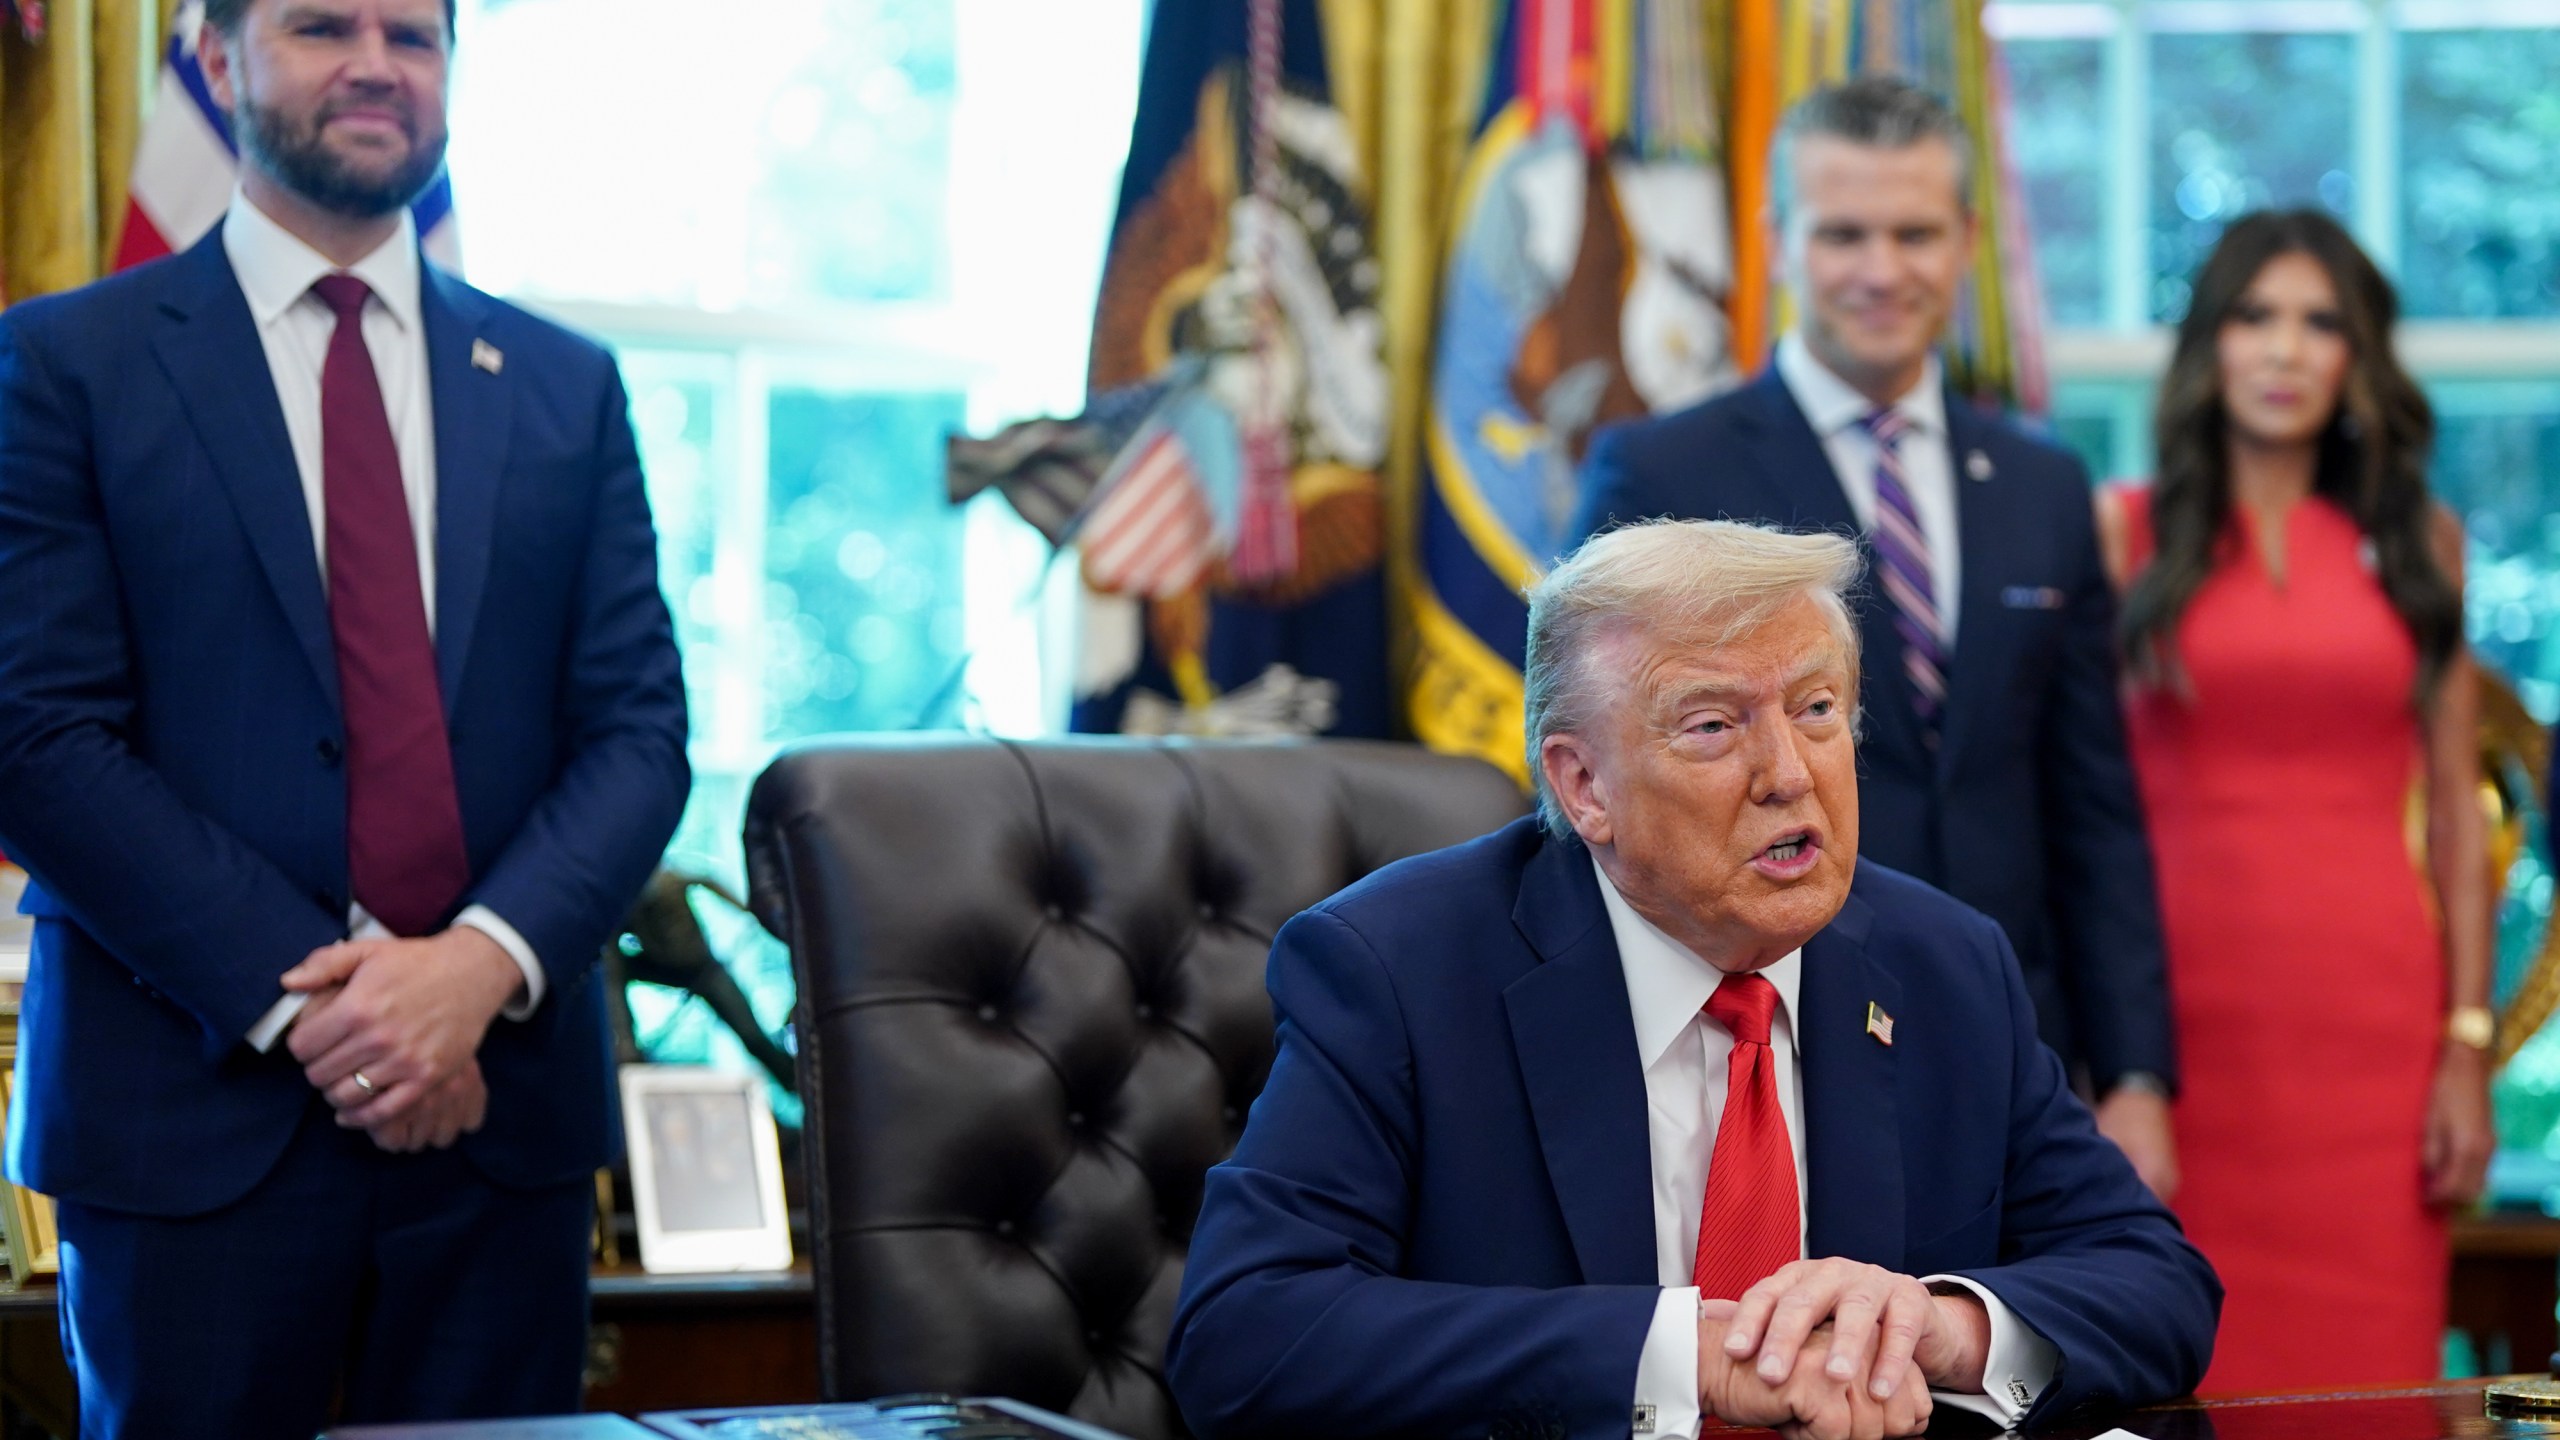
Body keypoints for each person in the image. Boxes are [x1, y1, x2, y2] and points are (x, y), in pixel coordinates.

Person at [0, 0, 690, 1432]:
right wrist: (339, 1009)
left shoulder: (566, 386)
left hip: (499, 1126)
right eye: (323, 26)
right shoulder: (62, 364)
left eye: (413, 36)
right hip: (188, 1126)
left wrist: (475, 971)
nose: (376, 65)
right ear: (215, 57)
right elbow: (35, 735)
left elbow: (638, 734)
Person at [1167, 519, 2219, 1440]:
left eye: (1816, 709)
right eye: (1714, 725)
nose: (1790, 774)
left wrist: (1937, 1327)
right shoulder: (1399, 969)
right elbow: (1245, 1336)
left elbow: (2156, 1280)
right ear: (1584, 785)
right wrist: (1685, 1355)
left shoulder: (1945, 966)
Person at [1570, 76, 2180, 1198]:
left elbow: (2091, 802)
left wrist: (2136, 1073)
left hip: (2010, 1041)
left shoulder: (2043, 485)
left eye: (1915, 233)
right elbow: (1606, 780)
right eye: (1843, 233)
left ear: (1967, 243)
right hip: (1760, 1038)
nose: (1882, 270)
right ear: (1778, 242)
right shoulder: (1661, 472)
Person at [2093, 209, 2492, 1393]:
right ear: (2208, 345)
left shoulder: (2423, 544)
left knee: (2369, 1379)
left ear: (2358, 355)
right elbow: (2075, 802)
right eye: (2253, 317)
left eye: (2320, 323)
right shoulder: (2119, 533)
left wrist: (2466, 1046)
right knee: (2175, 1367)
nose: (2283, 350)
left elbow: (2458, 816)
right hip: (2173, 1041)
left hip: (2374, 1036)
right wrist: (2098, 1059)